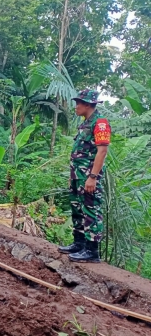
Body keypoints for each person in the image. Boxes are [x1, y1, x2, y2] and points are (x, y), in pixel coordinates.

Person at [58, 89, 110, 263]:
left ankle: (91, 250)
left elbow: (102, 151)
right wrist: (73, 176)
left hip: (89, 177)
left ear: (88, 104)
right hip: (78, 176)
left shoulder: (100, 123)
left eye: (79, 103)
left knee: (91, 209)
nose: (76, 106)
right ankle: (79, 243)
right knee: (77, 209)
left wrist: (93, 177)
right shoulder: (85, 123)